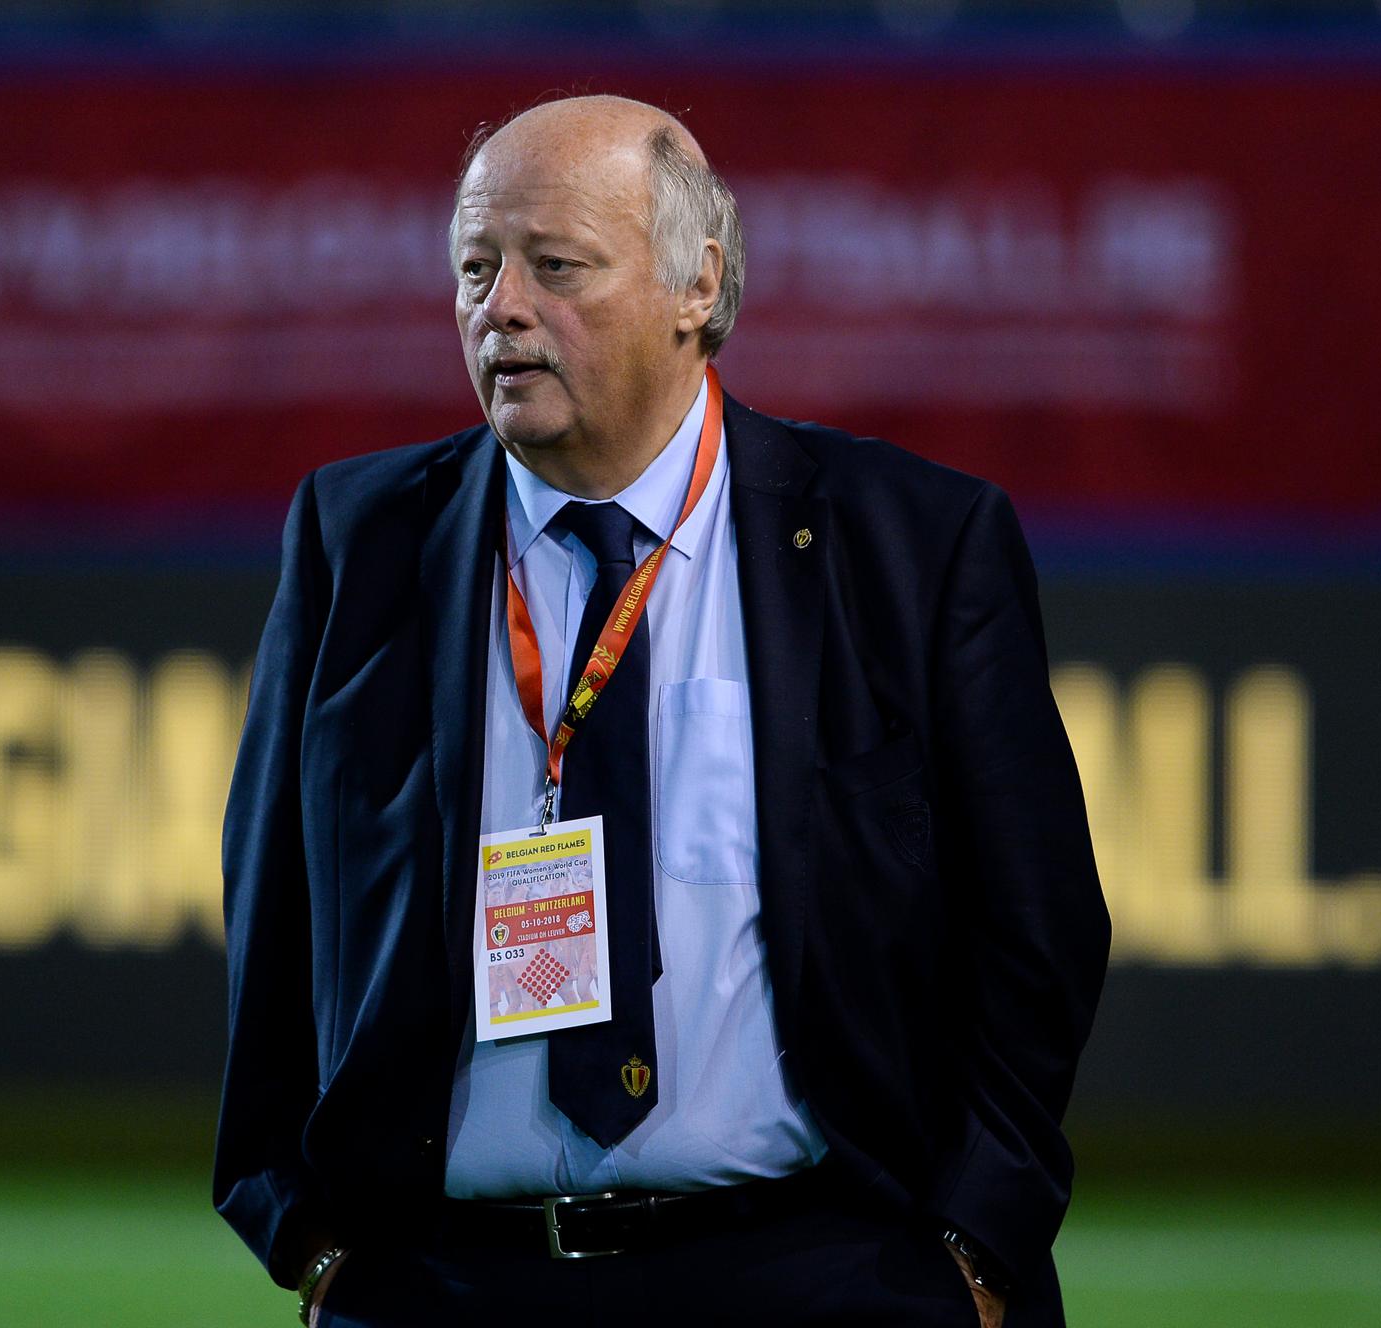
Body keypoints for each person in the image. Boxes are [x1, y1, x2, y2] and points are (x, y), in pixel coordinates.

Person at [215, 94, 1109, 1328]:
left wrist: (974, 1250)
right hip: (449, 1283)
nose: (502, 308)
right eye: (476, 268)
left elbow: (1038, 928)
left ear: (700, 282)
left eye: (555, 265)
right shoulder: (358, 540)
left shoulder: (912, 545)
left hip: (821, 1272)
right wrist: (309, 1243)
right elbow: (272, 913)